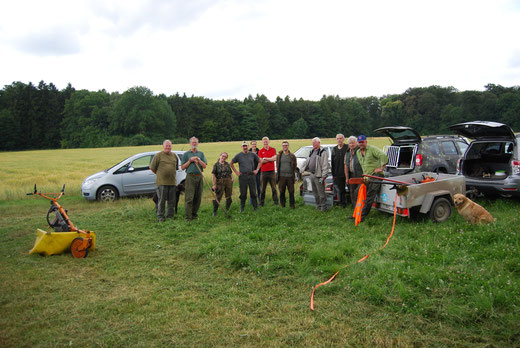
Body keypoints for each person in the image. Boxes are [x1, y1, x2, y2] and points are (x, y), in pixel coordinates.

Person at [355, 135, 388, 222]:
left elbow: (383, 155)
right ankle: (357, 213)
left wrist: (381, 168)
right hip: (367, 176)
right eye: (359, 142)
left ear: (366, 142)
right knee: (357, 192)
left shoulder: (372, 149)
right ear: (358, 143)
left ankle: (362, 216)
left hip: (376, 175)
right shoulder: (358, 152)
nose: (361, 144)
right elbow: (363, 165)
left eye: (363, 142)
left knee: (370, 194)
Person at [150, 140, 178, 222]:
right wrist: (159, 174)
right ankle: (161, 217)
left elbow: (175, 168)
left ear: (171, 147)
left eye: (169, 146)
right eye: (166, 146)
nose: (168, 147)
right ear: (163, 146)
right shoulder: (158, 156)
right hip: (162, 183)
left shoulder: (174, 156)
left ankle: (170, 216)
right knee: (161, 201)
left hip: (172, 182)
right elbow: (152, 168)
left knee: (171, 201)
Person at [181, 137, 207, 221]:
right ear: (190, 143)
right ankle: (188, 217)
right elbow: (182, 167)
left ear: (198, 143)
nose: (194, 144)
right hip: (190, 177)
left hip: (199, 176)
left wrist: (198, 160)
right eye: (193, 142)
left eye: (196, 142)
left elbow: (204, 166)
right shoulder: (186, 154)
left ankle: (194, 215)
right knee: (189, 198)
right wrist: (190, 160)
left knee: (198, 197)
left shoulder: (201, 154)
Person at [231, 141, 261, 212]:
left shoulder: (252, 155)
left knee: (253, 192)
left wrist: (257, 170)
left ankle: (255, 208)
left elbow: (260, 161)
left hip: (251, 176)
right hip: (243, 177)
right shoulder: (238, 155)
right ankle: (242, 208)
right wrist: (236, 172)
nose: (245, 147)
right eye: (243, 146)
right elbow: (231, 163)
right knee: (243, 193)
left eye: (246, 146)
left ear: (248, 147)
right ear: (241, 147)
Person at [302, 137, 330, 212]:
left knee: (321, 193)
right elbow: (308, 161)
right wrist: (303, 169)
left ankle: (324, 207)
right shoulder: (312, 151)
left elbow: (325, 165)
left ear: (319, 143)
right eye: (312, 142)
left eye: (315, 142)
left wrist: (324, 176)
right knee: (315, 192)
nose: (313, 144)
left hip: (319, 175)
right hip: (311, 174)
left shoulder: (322, 152)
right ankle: (318, 206)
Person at [258, 136, 279, 206]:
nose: (265, 143)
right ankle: (261, 203)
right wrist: (270, 159)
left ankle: (276, 202)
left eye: (266, 141)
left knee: (274, 188)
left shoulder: (273, 149)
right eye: (264, 142)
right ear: (262, 143)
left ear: (269, 142)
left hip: (272, 172)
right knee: (263, 189)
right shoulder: (260, 151)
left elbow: (275, 158)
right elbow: (261, 161)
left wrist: (266, 158)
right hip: (263, 172)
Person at [276, 140, 297, 208]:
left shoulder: (292, 156)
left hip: (290, 177)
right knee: (282, 191)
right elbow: (277, 165)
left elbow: (295, 166)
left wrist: (294, 176)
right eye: (283, 145)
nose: (285, 146)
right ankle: (282, 204)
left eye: (286, 145)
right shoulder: (279, 156)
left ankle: (292, 205)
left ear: (288, 146)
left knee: (291, 192)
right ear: (282, 146)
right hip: (281, 176)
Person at [344, 136, 364, 208]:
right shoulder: (347, 153)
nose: (351, 145)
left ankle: (360, 207)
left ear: (356, 143)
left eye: (353, 143)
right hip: (351, 175)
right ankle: (354, 207)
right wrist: (347, 177)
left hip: (359, 175)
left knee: (358, 192)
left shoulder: (360, 151)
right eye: (350, 143)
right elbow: (346, 165)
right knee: (352, 191)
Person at [331, 133, 348, 208]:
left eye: (340, 138)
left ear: (343, 139)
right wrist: (333, 174)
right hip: (338, 173)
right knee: (341, 190)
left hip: (347, 172)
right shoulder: (334, 149)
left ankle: (355, 203)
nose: (339, 140)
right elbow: (332, 162)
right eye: (337, 138)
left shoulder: (347, 147)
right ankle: (343, 203)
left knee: (351, 188)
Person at [249, 140, 261, 205]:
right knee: (252, 188)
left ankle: (260, 201)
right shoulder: (248, 152)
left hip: (258, 172)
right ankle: (252, 202)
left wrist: (257, 170)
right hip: (250, 173)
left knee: (259, 187)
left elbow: (261, 161)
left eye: (255, 144)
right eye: (253, 144)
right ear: (251, 145)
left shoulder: (259, 152)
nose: (254, 145)